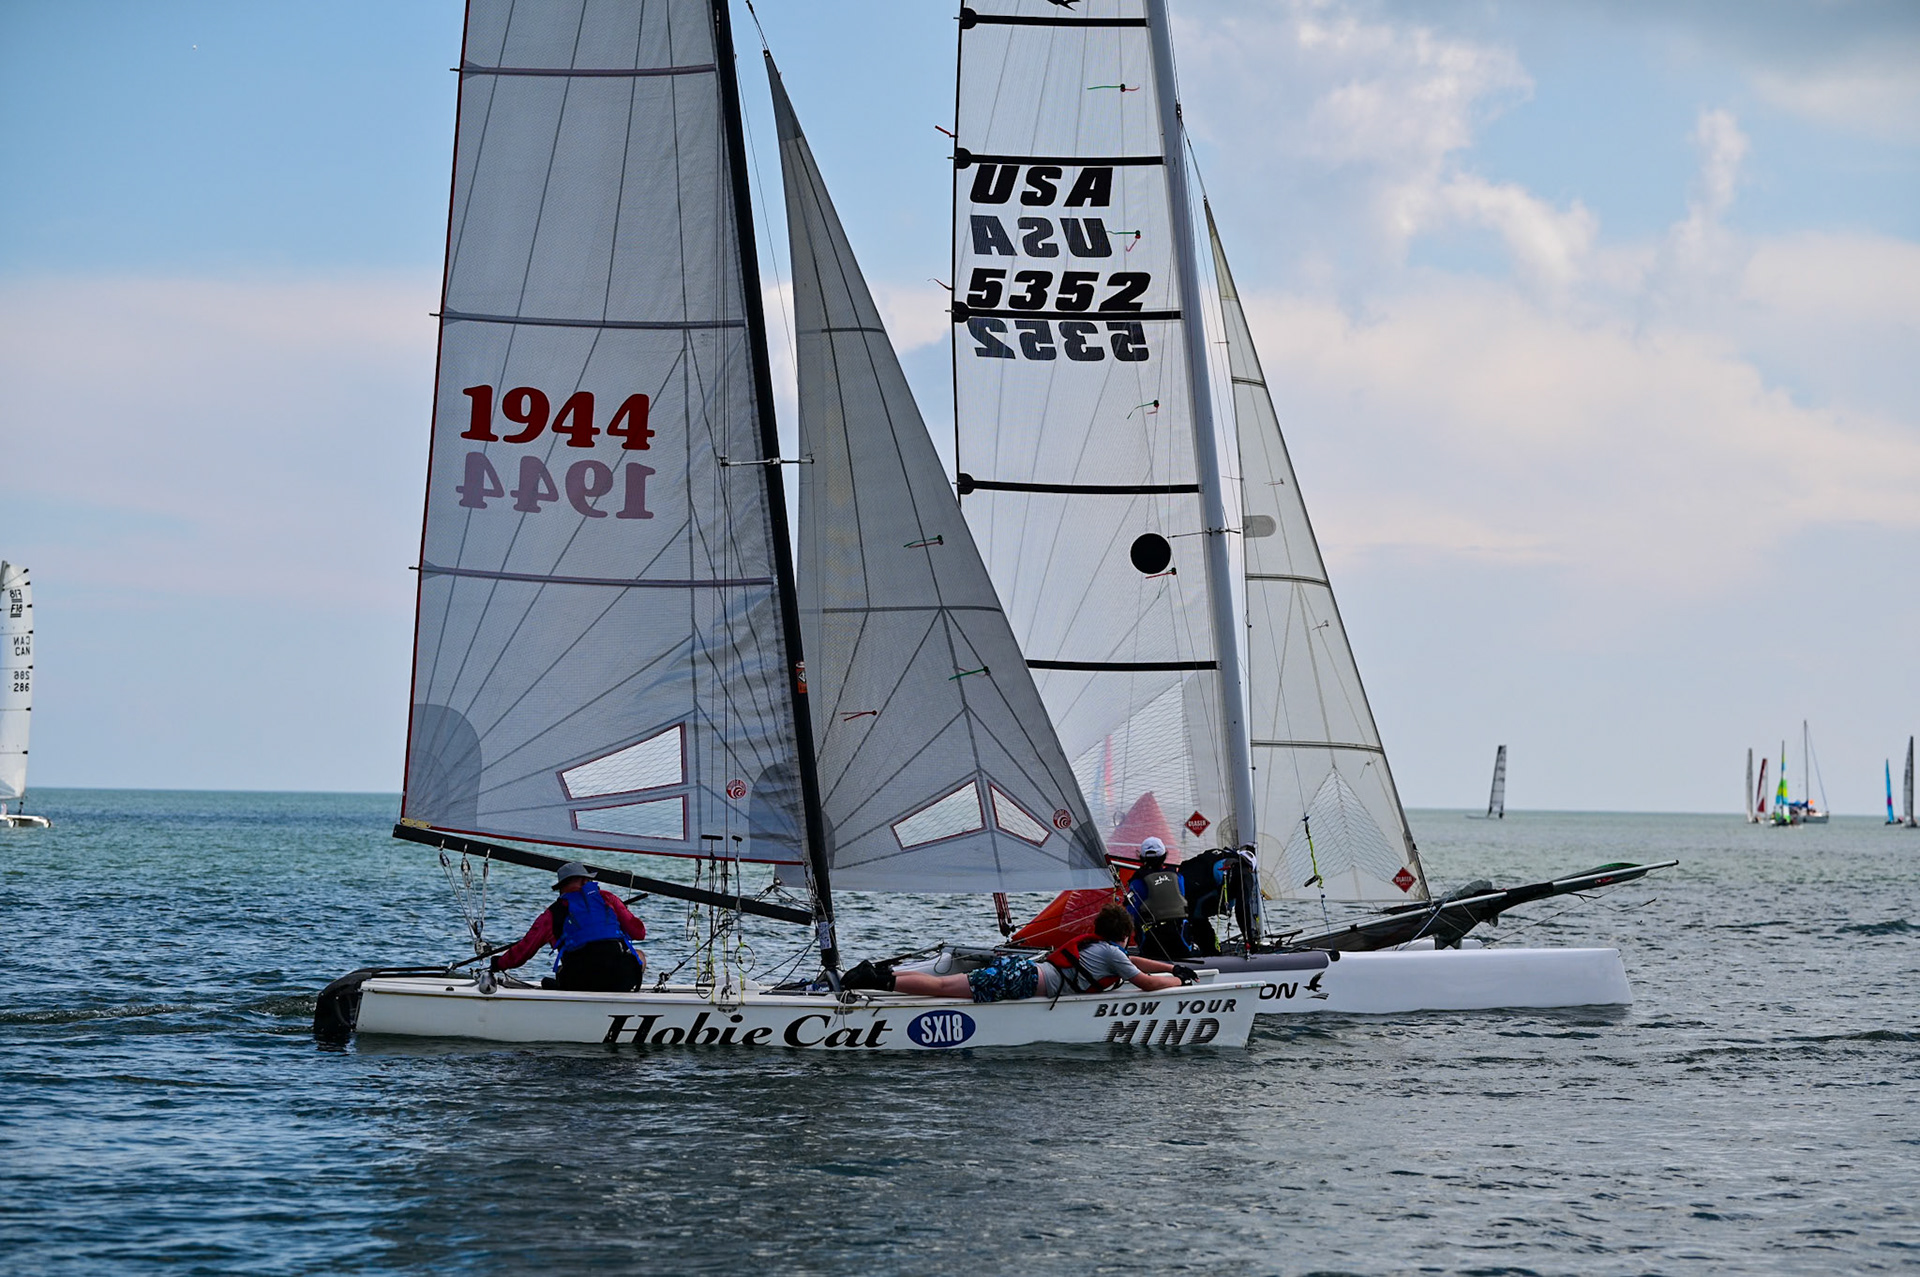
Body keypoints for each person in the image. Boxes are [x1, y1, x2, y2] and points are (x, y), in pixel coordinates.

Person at [839, 902, 1194, 1002]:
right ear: (1124, 935)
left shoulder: (1100, 947)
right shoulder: (1112, 954)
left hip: (1021, 972)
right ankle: (879, 981)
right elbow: (1146, 983)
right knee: (945, 988)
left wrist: (1171, 967)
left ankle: (883, 975)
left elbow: (1134, 962)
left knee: (947, 984)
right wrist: (1179, 982)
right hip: (1021, 980)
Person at [491, 862, 647, 992]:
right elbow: (639, 933)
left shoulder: (552, 913)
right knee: (639, 955)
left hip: (578, 982)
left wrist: (498, 964)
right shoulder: (608, 899)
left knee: (560, 970)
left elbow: (524, 950)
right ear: (585, 881)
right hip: (618, 979)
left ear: (562, 886)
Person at [1126, 837, 1196, 961]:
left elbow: (1131, 913)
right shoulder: (1178, 877)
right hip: (1180, 941)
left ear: (1142, 857)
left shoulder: (1137, 882)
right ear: (1164, 855)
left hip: (1152, 944)